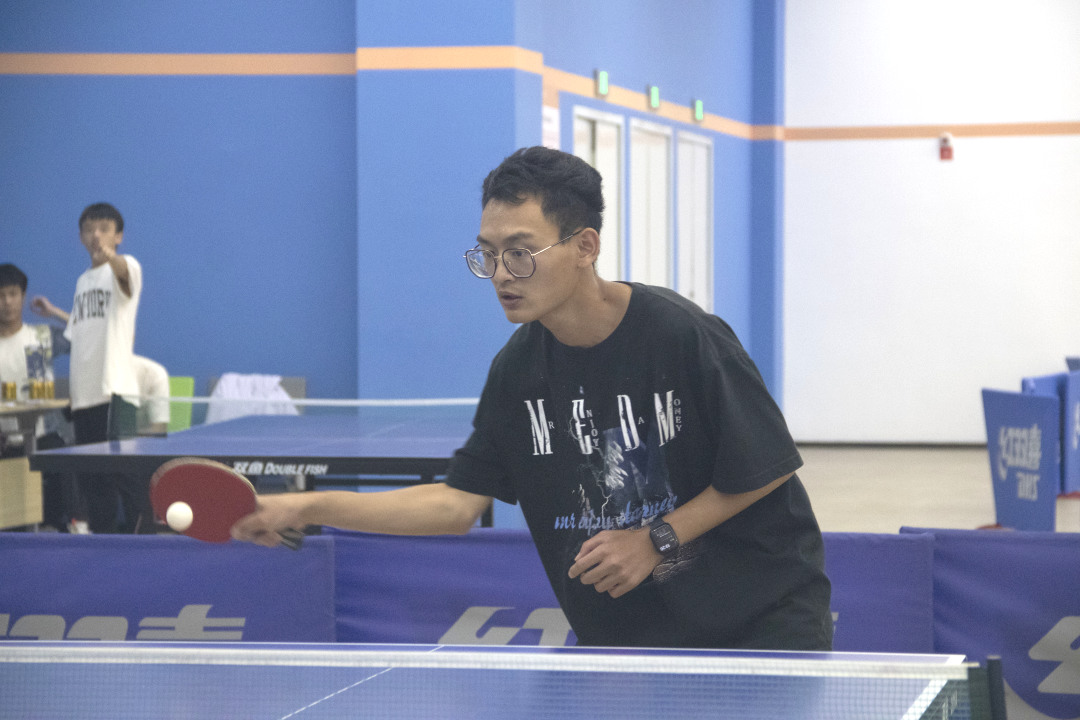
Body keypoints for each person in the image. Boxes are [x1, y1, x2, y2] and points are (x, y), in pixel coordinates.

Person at [232, 147, 833, 651]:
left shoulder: (683, 336)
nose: (500, 273)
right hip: (629, 638)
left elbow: (766, 467)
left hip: (762, 626)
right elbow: (455, 505)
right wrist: (306, 507)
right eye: (488, 254)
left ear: (585, 246)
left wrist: (655, 539)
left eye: (520, 253)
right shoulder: (518, 371)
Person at [32, 202, 146, 533]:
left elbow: (122, 273)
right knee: (94, 479)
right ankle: (103, 544)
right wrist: (54, 312)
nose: (96, 235)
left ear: (118, 236)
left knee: (125, 474)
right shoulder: (83, 280)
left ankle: (145, 543)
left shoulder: (127, 266)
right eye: (89, 229)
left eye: (104, 229)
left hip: (115, 393)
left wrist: (110, 256)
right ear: (81, 236)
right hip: (84, 397)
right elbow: (82, 327)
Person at [0, 263, 74, 530]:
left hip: (43, 438)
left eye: (13, 294)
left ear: (23, 296)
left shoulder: (40, 337)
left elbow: (87, 336)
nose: (7, 302)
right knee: (12, 524)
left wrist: (53, 312)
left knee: (54, 514)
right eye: (1, 296)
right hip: (5, 443)